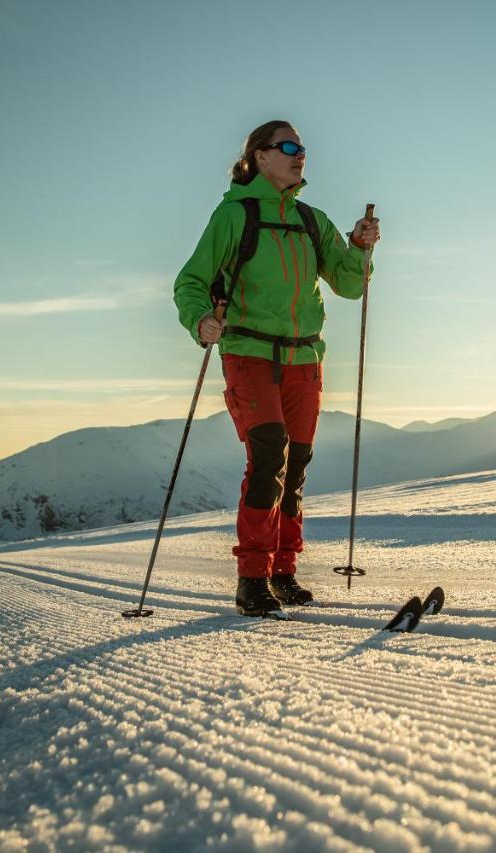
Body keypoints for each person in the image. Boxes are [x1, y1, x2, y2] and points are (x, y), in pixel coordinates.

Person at [173, 119, 380, 616]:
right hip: (248, 352)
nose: (299, 153)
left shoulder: (312, 220)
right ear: (259, 157)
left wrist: (358, 246)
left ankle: (283, 572)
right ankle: (252, 579)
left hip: (304, 357)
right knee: (268, 458)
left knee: (297, 464)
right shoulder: (233, 217)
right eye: (287, 146)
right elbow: (191, 280)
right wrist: (200, 319)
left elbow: (350, 286)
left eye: (302, 147)